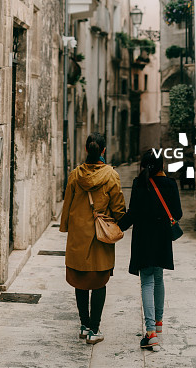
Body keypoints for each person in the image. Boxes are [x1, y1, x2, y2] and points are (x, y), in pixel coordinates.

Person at [60, 132, 126, 345]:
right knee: (99, 281)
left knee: (80, 280)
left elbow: (67, 205)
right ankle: (94, 329)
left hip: (79, 236)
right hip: (99, 236)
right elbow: (118, 208)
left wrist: (66, 228)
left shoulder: (75, 175)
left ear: (87, 149)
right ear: (103, 151)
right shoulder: (111, 175)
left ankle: (83, 325)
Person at [119, 149, 182, 351]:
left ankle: (150, 332)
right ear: (162, 165)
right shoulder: (171, 184)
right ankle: (159, 323)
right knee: (159, 277)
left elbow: (133, 213)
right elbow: (178, 213)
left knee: (147, 281)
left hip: (144, 240)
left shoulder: (139, 184)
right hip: (162, 239)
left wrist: (116, 226)